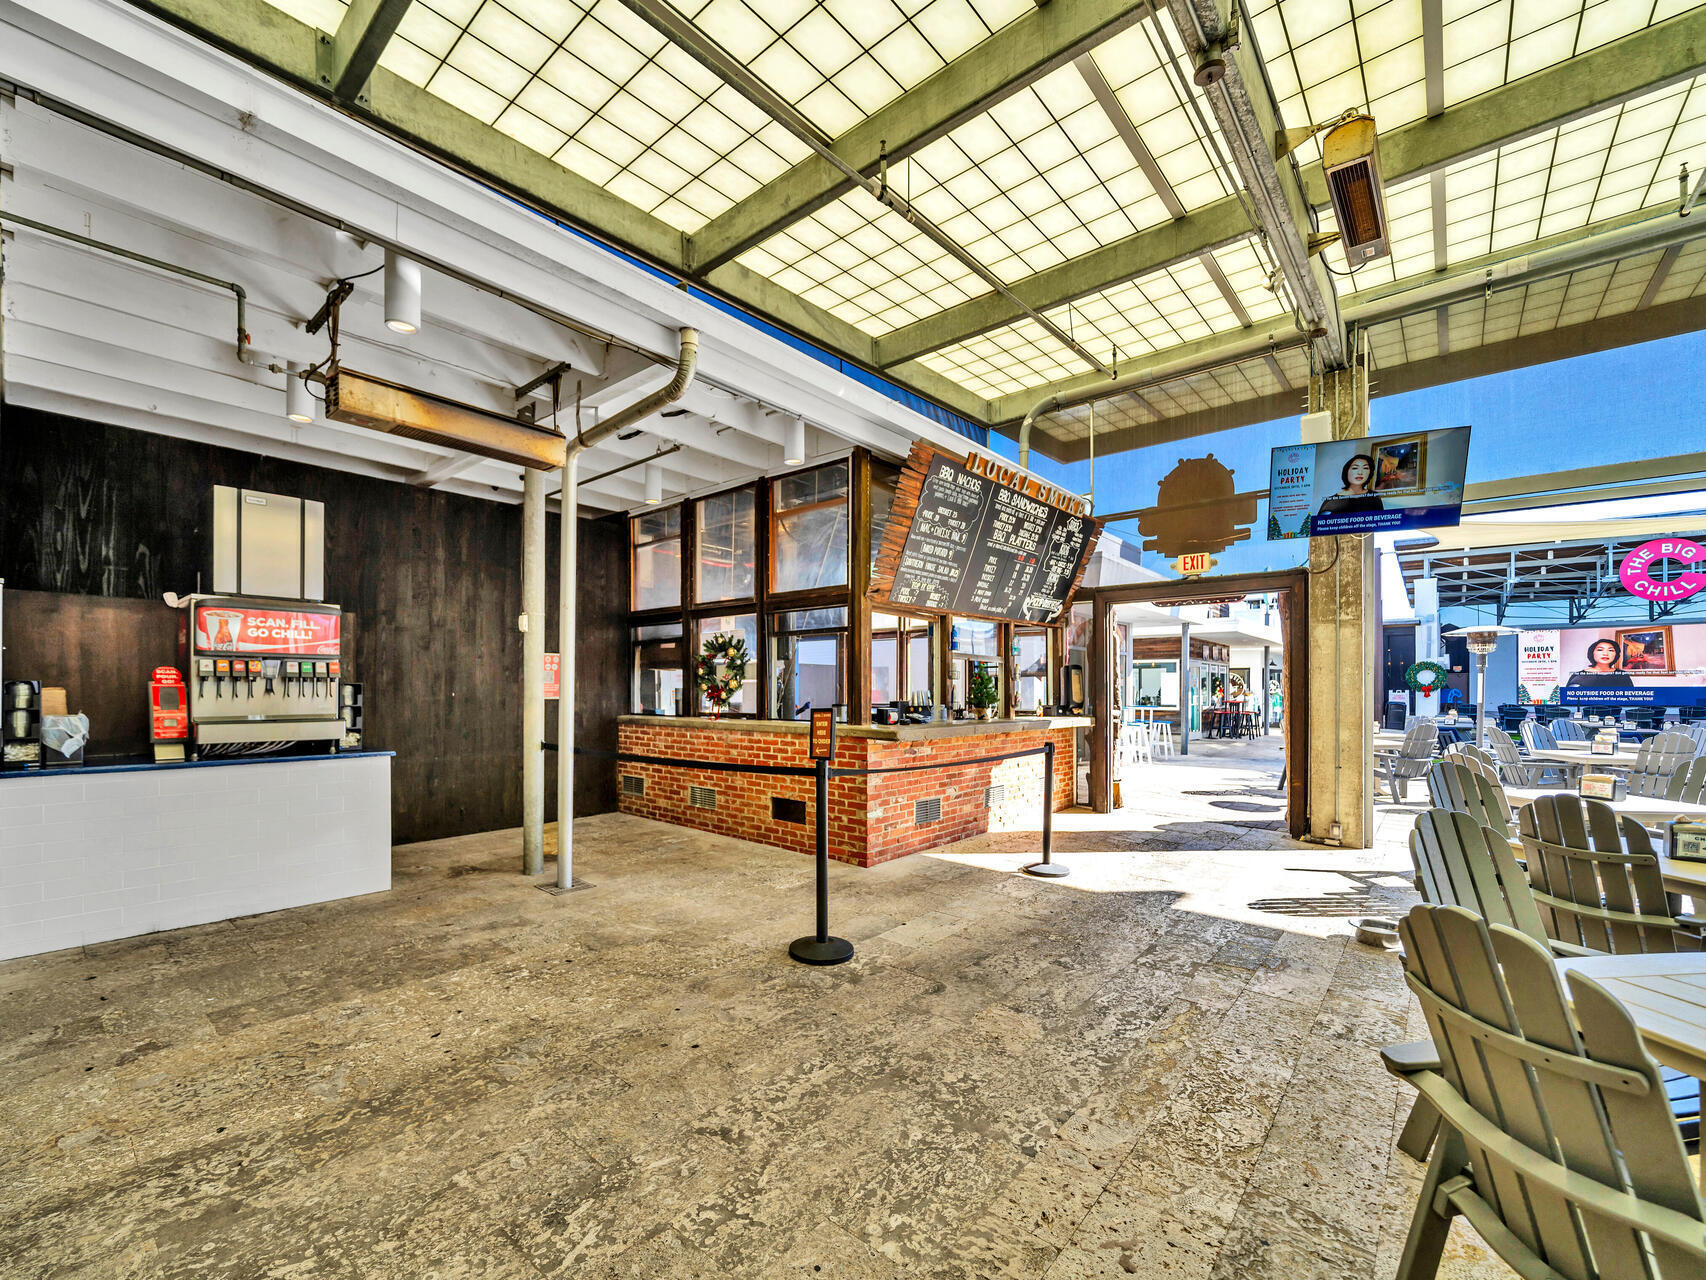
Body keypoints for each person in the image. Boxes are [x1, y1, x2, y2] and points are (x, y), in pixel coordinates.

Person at [1316, 454, 1385, 518]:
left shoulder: (1374, 497)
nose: (1360, 472)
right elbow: (1320, 527)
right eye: (1355, 468)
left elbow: (1380, 524)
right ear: (1346, 471)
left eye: (1365, 468)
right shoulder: (1331, 501)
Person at [1565, 637, 1634, 690]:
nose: (1605, 653)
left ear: (1616, 654)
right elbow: (1569, 699)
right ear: (1592, 653)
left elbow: (1631, 699)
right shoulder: (1578, 676)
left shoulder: (1623, 675)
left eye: (1610, 650)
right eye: (1600, 650)